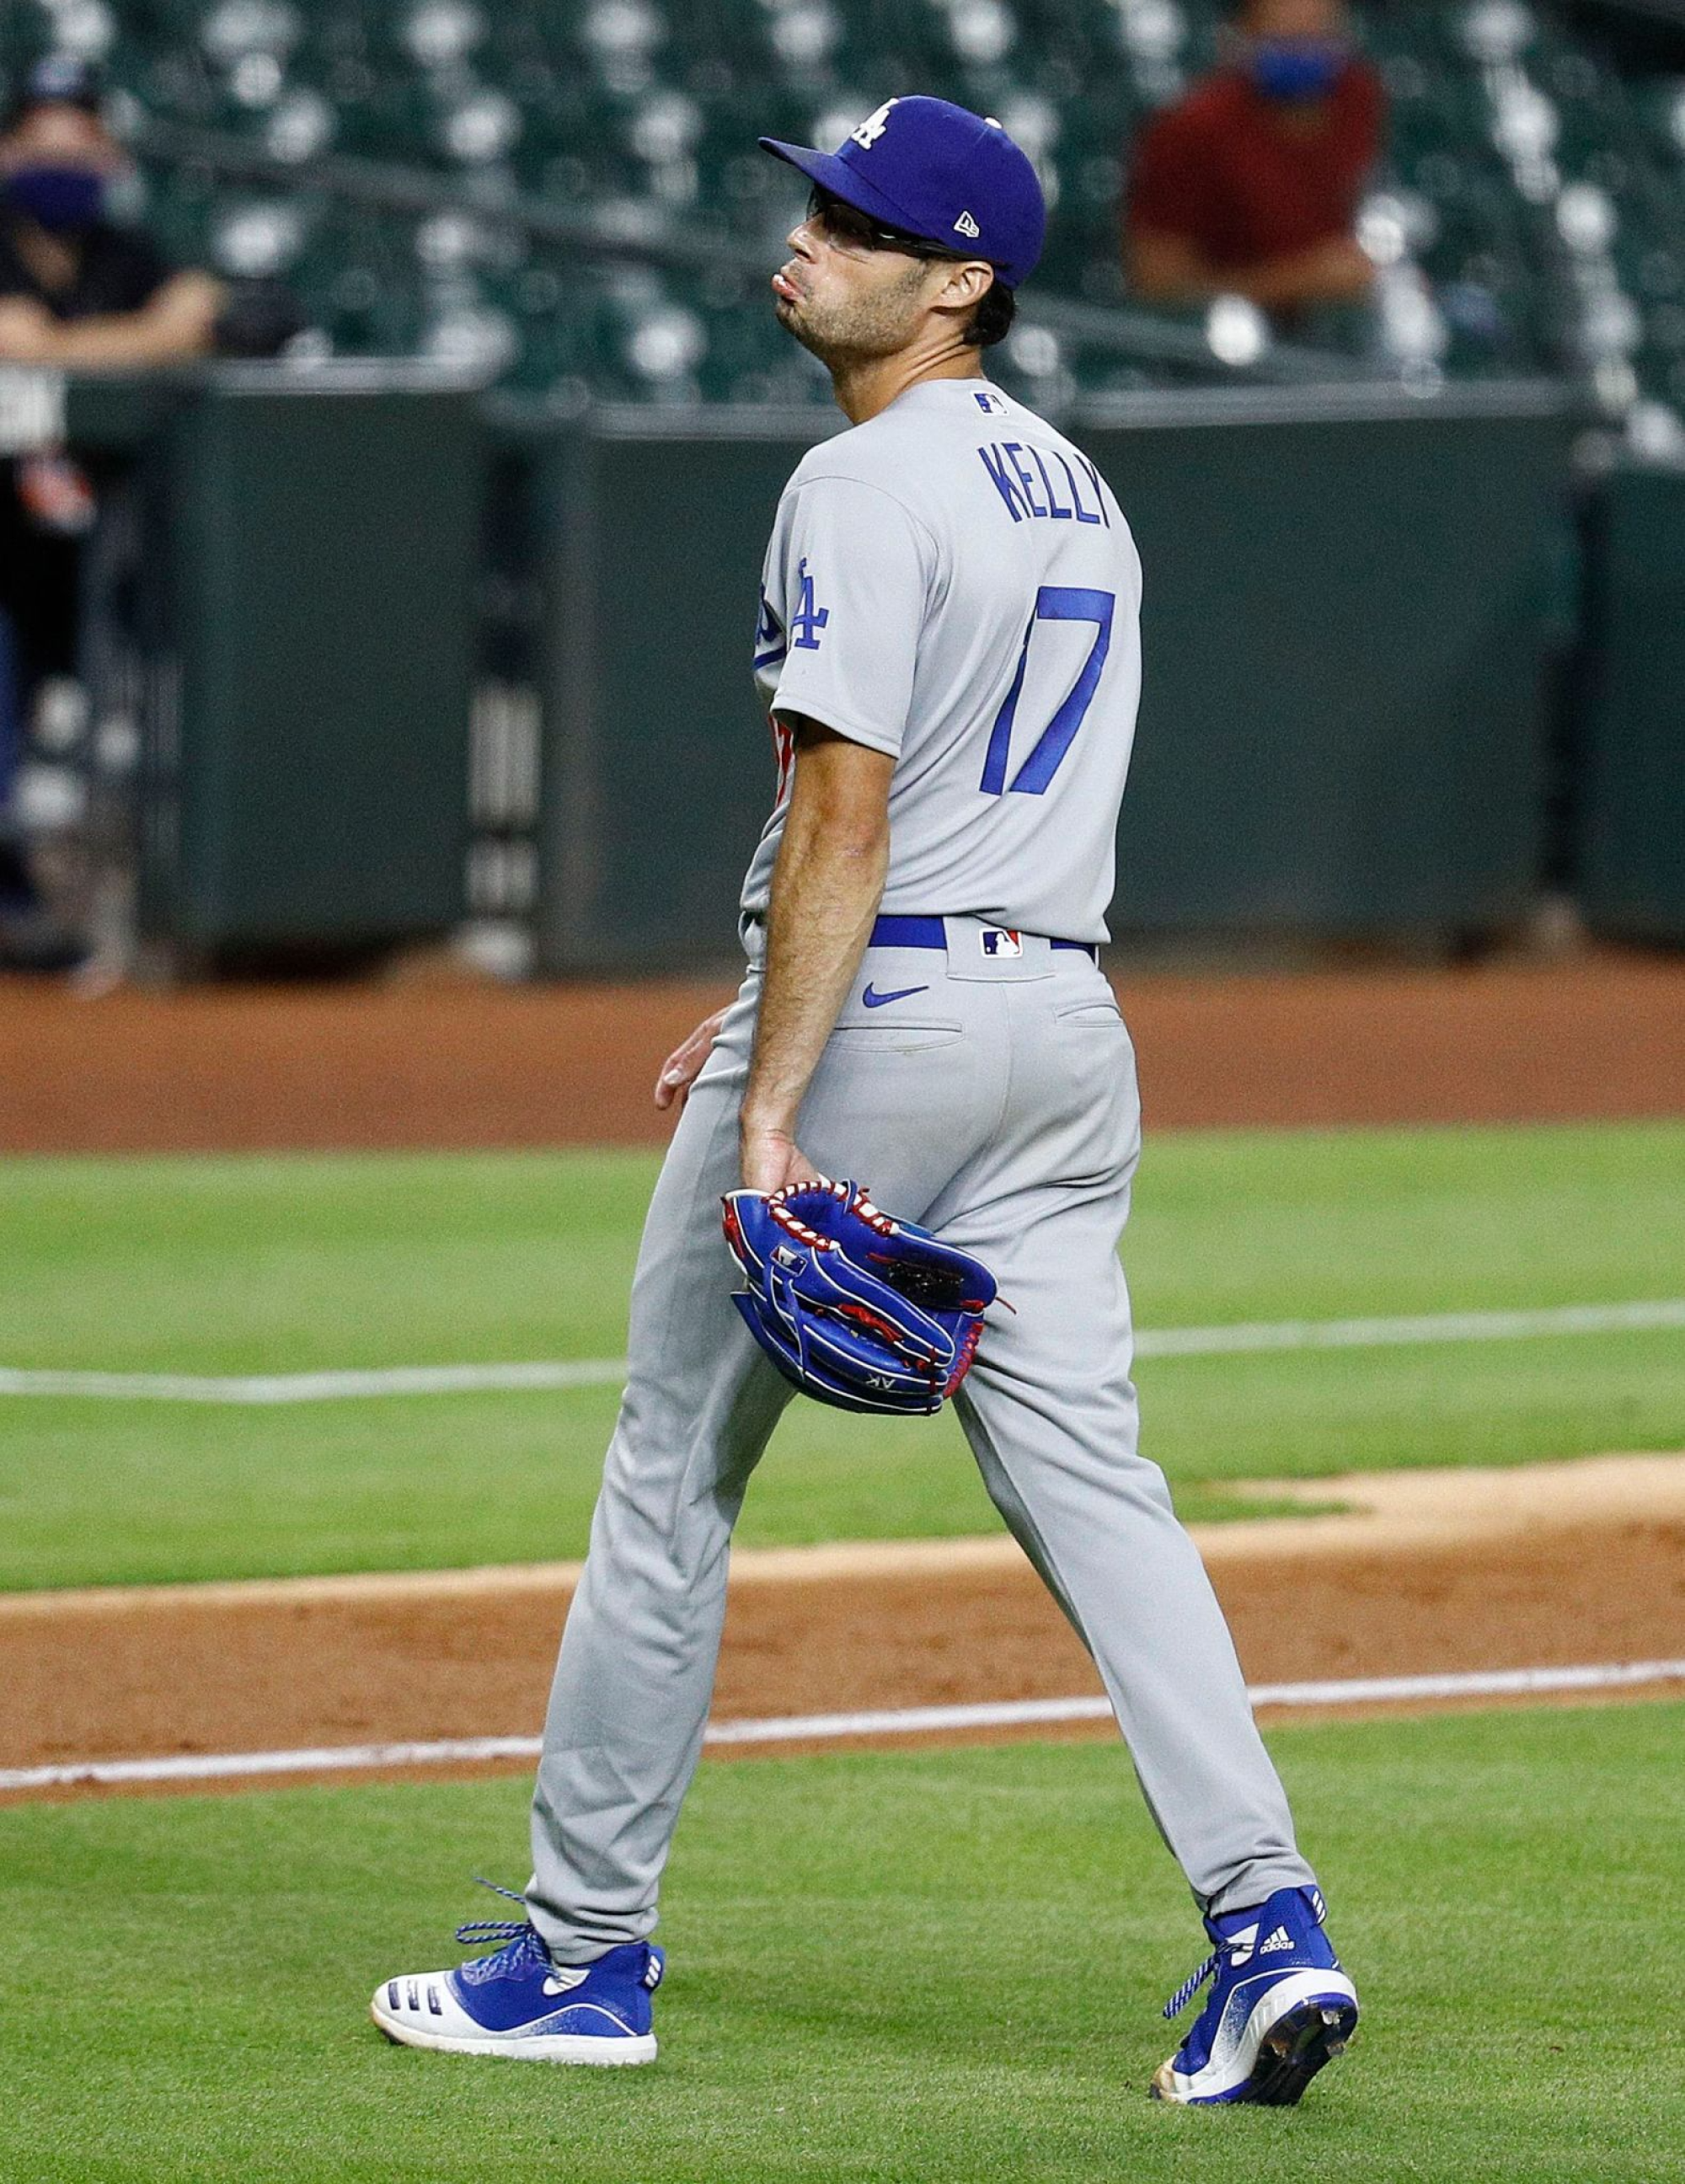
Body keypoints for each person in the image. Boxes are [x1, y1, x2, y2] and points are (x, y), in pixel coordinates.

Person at [372, 94, 1361, 2108]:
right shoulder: (1074, 483)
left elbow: (849, 805)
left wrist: (774, 1088)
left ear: (961, 278)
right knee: (1097, 1489)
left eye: (858, 221)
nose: (804, 241)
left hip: (890, 1018)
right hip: (1061, 1031)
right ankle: (1264, 1922)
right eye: (812, 205)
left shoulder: (862, 480)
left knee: (671, 1471)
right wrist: (768, 1000)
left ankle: (575, 1959)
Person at [0, 55, 222, 959]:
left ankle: (104, 891)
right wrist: (138, 343)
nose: (66, 164)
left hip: (106, 546)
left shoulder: (126, 251)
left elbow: (193, 317)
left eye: (83, 146)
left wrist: (57, 344)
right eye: (45, 146)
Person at [1124, 0, 1383, 324]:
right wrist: (1300, 279)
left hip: (1339, 332)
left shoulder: (1359, 96)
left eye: (1316, 30)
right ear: (1244, 28)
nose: (1303, 22)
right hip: (1223, 345)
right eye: (1287, 37)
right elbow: (1158, 289)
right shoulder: (1190, 129)